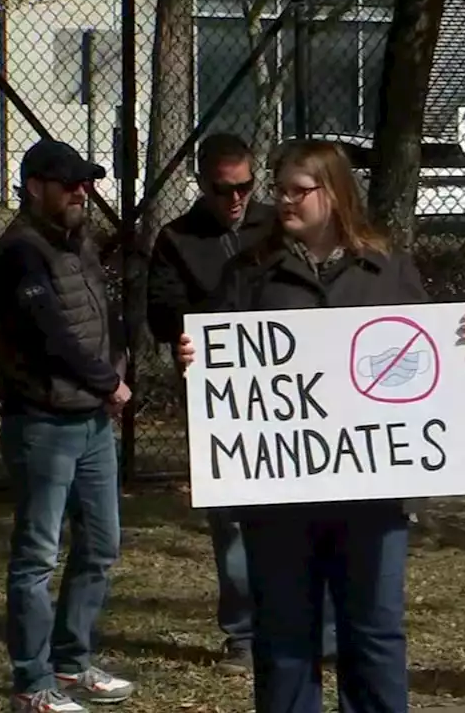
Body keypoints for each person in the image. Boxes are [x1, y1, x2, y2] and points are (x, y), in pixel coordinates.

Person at [178, 139, 465, 713]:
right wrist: (196, 358)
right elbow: (225, 366)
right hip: (280, 497)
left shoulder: (386, 269)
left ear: (334, 193)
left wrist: (458, 341)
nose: (283, 200)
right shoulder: (250, 271)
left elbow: (424, 359)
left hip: (372, 494)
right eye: (280, 188)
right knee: (286, 635)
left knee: (374, 629)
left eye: (298, 190)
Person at [146, 132, 337, 675]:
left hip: (292, 387)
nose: (236, 199)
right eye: (222, 188)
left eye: (247, 187)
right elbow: (161, 314)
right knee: (231, 518)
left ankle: (319, 632)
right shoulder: (177, 239)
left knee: (310, 506)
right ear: (202, 184)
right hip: (223, 396)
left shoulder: (277, 227)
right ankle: (244, 635)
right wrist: (202, 331)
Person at [0, 139, 136, 713]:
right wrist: (107, 381)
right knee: (36, 556)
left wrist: (114, 374)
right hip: (43, 423)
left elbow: (104, 316)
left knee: (100, 544)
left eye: (86, 182)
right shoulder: (21, 252)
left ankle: (74, 664)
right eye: (69, 183)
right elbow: (48, 335)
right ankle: (33, 682)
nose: (81, 192)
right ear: (34, 187)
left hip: (91, 421)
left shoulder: (80, 243)